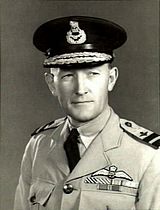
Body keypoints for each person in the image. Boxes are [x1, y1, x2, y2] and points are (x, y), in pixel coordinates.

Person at [14, 16, 160, 210]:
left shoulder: (148, 155)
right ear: (51, 83)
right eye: (67, 75)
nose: (81, 89)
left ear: (111, 79)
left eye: (92, 73)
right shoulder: (38, 146)